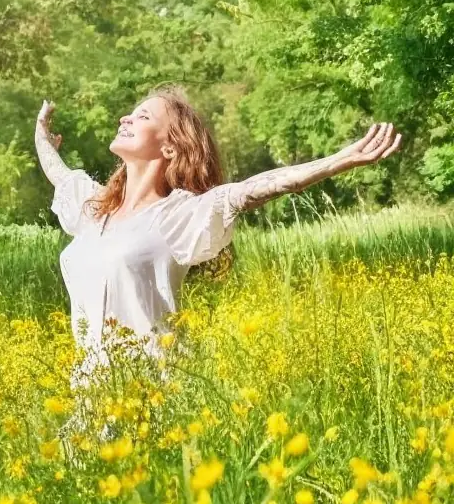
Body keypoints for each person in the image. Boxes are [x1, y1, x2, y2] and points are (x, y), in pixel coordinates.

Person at [35, 83, 402, 396]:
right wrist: (42, 137)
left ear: (170, 148)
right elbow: (60, 175)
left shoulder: (178, 215)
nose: (125, 119)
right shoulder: (95, 209)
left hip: (149, 394)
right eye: (130, 114)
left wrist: (337, 161)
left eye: (143, 116)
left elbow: (252, 190)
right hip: (89, 395)